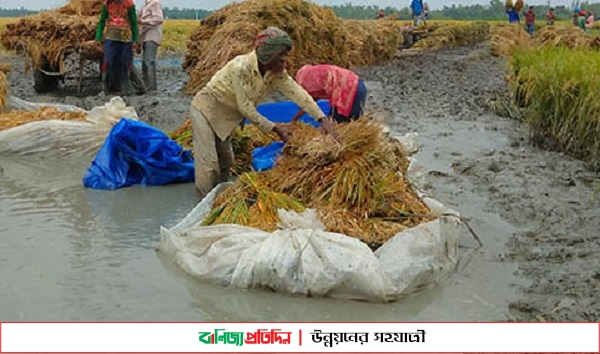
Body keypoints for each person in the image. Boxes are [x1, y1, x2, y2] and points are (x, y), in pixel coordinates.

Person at [189, 27, 334, 197]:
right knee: (209, 166)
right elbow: (246, 108)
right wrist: (276, 129)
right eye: (280, 55)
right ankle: (202, 206)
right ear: (267, 54)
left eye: (285, 55)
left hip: (226, 119)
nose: (284, 60)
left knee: (227, 162)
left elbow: (298, 94)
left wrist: (322, 118)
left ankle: (218, 199)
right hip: (206, 110)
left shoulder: (275, 73)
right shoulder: (241, 67)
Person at [292, 65, 367, 124]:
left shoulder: (306, 82)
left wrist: (294, 119)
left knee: (336, 126)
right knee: (354, 122)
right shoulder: (317, 76)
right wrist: (296, 118)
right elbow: (311, 102)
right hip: (358, 85)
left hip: (347, 92)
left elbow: (308, 101)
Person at [95, 0, 139, 95]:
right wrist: (98, 37)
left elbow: (134, 23)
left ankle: (124, 88)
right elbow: (102, 21)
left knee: (125, 62)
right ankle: (106, 88)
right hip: (111, 37)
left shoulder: (129, 4)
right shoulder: (107, 4)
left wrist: (135, 40)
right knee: (108, 61)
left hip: (126, 38)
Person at [138, 0, 163, 91]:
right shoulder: (146, 5)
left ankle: (151, 87)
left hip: (152, 35)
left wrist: (143, 21)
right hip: (145, 36)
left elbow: (159, 19)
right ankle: (146, 85)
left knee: (149, 61)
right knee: (145, 62)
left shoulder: (155, 3)